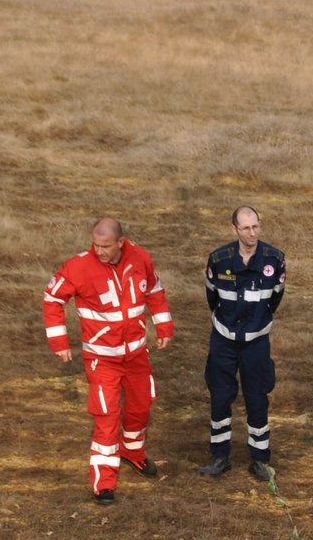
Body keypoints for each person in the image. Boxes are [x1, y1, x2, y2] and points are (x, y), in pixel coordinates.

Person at [42, 217, 174, 505]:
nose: (98, 251)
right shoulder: (78, 267)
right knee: (107, 418)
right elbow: (52, 300)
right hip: (101, 359)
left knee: (140, 407)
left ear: (120, 243)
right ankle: (103, 482)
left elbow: (154, 290)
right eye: (95, 244)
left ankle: (133, 452)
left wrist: (164, 327)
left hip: (137, 355)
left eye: (104, 246)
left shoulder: (141, 258)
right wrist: (60, 343)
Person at [199, 206, 284, 481]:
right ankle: (220, 456)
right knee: (220, 397)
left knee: (257, 398)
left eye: (256, 227)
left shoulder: (275, 259)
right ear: (234, 228)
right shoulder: (219, 259)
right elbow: (212, 297)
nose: (252, 233)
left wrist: (255, 324)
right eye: (246, 228)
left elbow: (275, 300)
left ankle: (260, 459)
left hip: (256, 343)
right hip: (223, 340)